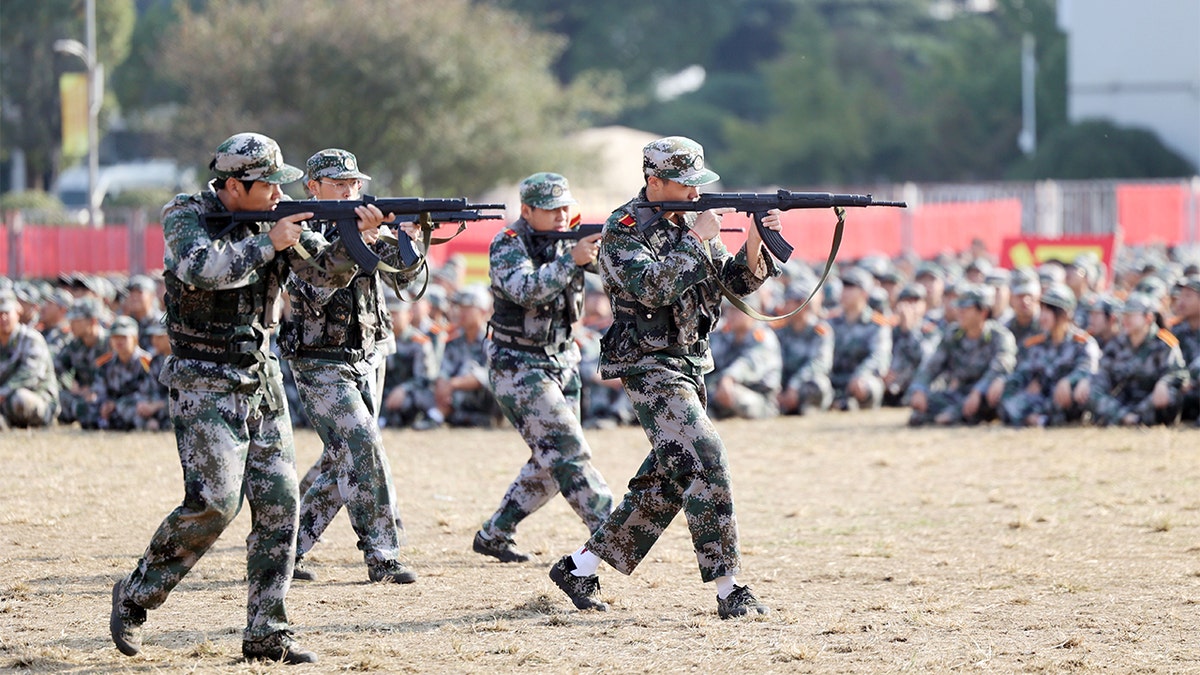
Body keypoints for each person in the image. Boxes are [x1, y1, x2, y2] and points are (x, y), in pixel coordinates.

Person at [109, 132, 382, 664]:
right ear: (233, 186)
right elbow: (200, 269)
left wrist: (357, 239)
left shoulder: (278, 224)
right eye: (267, 187)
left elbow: (320, 281)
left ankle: (267, 631)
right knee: (214, 502)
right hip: (202, 379)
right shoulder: (186, 214)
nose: (280, 195)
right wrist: (267, 243)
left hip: (260, 380)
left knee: (281, 504)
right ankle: (139, 593)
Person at [547, 136, 780, 620]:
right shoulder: (623, 229)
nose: (696, 194)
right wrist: (698, 238)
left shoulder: (692, 224)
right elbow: (651, 289)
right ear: (654, 181)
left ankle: (579, 567)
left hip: (691, 362)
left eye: (699, 184)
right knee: (705, 453)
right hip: (648, 364)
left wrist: (756, 236)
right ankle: (729, 587)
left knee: (668, 479)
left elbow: (735, 283)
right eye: (685, 184)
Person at [282, 148, 418, 585]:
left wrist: (408, 239)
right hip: (319, 360)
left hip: (370, 351)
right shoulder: (294, 229)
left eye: (354, 183)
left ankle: (286, 546)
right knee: (362, 444)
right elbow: (317, 286)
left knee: (344, 456)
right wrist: (359, 239)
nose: (349, 190)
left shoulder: (367, 225)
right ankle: (382, 553)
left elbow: (406, 278)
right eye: (338, 184)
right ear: (313, 188)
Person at [473, 172, 614, 564]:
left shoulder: (571, 239)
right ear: (527, 211)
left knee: (551, 460)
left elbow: (614, 274)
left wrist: (599, 252)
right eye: (550, 210)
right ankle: (613, 532)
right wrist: (572, 260)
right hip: (518, 363)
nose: (559, 216)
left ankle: (495, 533)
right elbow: (527, 290)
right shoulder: (508, 243)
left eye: (565, 208)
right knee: (567, 450)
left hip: (564, 360)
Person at [907, 285, 1016, 426]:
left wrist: (978, 391)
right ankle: (952, 414)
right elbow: (932, 366)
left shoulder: (1000, 336)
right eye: (959, 308)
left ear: (982, 312)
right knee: (918, 413)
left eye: (966, 309)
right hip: (960, 393)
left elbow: (1001, 367)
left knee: (994, 396)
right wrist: (919, 389)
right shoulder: (953, 334)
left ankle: (955, 415)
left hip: (985, 394)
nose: (960, 313)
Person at [1076, 293, 1189, 426]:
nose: (1125, 320)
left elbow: (1179, 373)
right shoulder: (1117, 343)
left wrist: (1164, 382)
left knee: (1171, 393)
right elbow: (1103, 374)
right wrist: (1088, 382)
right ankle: (1126, 418)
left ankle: (1134, 419)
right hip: (1124, 403)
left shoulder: (1164, 343)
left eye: (1131, 315)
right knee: (1091, 391)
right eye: (1124, 315)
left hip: (1150, 401)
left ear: (1148, 318)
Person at [1000, 282, 1100, 427]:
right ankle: (1036, 419)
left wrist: (1068, 381)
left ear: (1064, 314)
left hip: (1064, 399)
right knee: (1008, 395)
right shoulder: (1036, 343)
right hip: (1040, 397)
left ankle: (1034, 418)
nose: (1043, 316)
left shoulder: (1083, 343)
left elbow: (1088, 369)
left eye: (1050, 310)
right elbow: (1023, 372)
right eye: (1043, 309)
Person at [705, 297, 782, 419]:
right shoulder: (725, 335)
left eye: (736, 311)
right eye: (729, 310)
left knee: (734, 394)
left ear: (751, 312)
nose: (730, 315)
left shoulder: (763, 337)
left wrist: (728, 378)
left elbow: (749, 363)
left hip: (760, 398)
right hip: (723, 388)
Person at [433, 285, 498, 427]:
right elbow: (444, 369)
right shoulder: (454, 340)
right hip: (455, 394)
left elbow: (488, 376)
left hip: (485, 398)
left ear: (483, 311)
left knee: (468, 368)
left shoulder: (493, 341)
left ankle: (438, 416)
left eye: (467, 307)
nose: (461, 312)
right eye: (460, 307)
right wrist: (443, 383)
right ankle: (447, 415)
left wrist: (452, 384)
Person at [829, 267, 892, 410]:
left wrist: (860, 375)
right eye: (844, 287)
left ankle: (849, 402)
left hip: (861, 378)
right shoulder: (831, 322)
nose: (844, 292)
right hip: (834, 379)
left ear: (864, 293)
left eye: (851, 287)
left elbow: (879, 357)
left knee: (867, 387)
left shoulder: (877, 324)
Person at [0, 289, 59, 429]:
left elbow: (30, 375)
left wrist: (2, 393)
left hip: (38, 398)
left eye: (7, 313)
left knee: (19, 398)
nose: (3, 318)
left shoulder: (31, 339)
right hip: (4, 399)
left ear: (17, 312)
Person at [774, 279, 834, 416]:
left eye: (789, 302)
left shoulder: (820, 332)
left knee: (820, 384)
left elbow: (820, 364)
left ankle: (807, 408)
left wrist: (794, 385)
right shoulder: (779, 331)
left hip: (802, 386)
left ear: (803, 305)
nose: (784, 307)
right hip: (782, 388)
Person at [92, 315, 154, 431]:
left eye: (123, 337)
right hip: (112, 409)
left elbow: (147, 394)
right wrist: (105, 404)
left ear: (135, 339)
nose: (118, 341)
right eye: (115, 337)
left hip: (136, 407)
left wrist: (116, 404)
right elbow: (99, 390)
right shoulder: (106, 364)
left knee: (130, 410)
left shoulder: (146, 363)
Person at [55, 296, 108, 427]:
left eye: (76, 320)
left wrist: (93, 391)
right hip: (81, 396)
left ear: (92, 321)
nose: (71, 324)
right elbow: (56, 369)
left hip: (104, 396)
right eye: (71, 320)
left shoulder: (110, 344)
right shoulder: (74, 345)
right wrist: (70, 386)